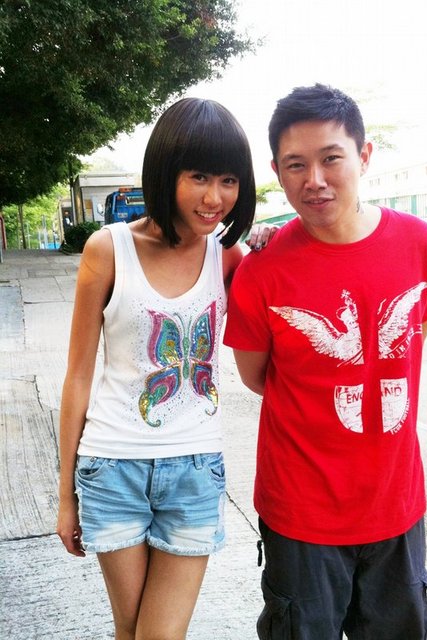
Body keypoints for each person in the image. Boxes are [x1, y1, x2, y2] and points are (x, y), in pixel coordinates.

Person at [223, 83, 427, 639]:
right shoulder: (262, 269)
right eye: (296, 165)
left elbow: (412, 344)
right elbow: (257, 377)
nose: (315, 180)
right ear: (277, 172)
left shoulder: (418, 243)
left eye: (331, 158)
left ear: (364, 156)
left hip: (396, 505)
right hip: (301, 514)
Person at [56, 97, 272, 640]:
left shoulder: (228, 256)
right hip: (112, 467)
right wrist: (65, 497)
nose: (214, 197)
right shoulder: (108, 249)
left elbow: (279, 305)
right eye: (199, 176)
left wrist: (274, 241)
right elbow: (78, 376)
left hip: (195, 469)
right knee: (130, 631)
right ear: (165, 171)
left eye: (228, 180)